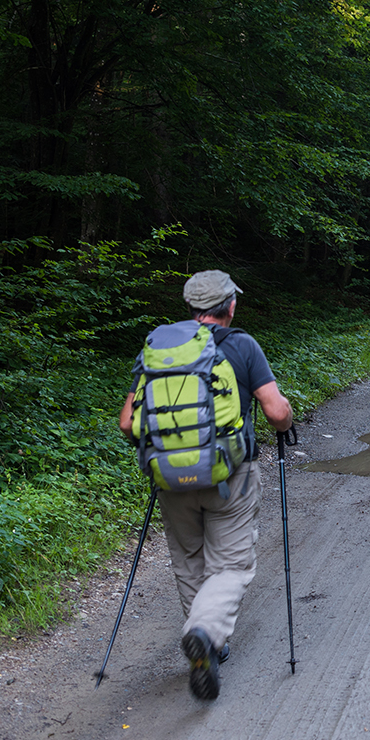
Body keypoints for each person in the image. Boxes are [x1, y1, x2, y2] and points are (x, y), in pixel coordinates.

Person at [118, 270, 293, 701]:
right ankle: (205, 632)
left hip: (171, 480)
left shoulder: (160, 349)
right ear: (230, 306)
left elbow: (127, 422)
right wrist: (287, 419)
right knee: (231, 565)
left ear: (191, 307)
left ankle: (208, 645)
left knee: (189, 559)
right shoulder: (242, 345)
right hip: (231, 475)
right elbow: (275, 412)